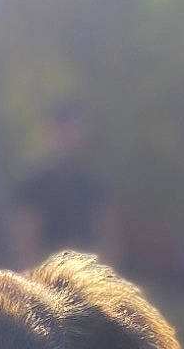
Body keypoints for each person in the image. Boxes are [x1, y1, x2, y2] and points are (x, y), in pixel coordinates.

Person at [10, 100, 123, 267]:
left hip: (88, 273)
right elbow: (26, 241)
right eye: (64, 131)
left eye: (75, 130)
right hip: (46, 274)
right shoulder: (33, 185)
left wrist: (106, 274)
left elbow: (110, 236)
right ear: (52, 133)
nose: (70, 138)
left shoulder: (95, 184)